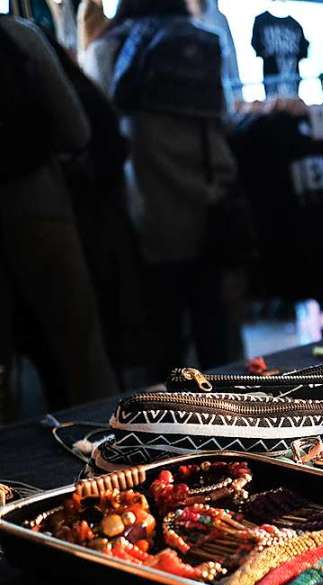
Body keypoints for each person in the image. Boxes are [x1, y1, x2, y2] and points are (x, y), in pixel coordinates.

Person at [82, 0, 243, 375]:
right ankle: (234, 417)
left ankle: (167, 422)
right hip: (208, 200)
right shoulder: (203, 40)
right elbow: (224, 120)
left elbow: (93, 133)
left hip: (147, 208)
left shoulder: (108, 47)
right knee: (216, 335)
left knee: (161, 338)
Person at [0, 14, 117, 416]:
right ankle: (107, 453)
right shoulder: (17, 34)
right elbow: (77, 129)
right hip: (38, 207)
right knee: (80, 347)